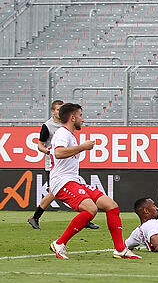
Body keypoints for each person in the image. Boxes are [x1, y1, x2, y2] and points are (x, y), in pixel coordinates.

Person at [48, 103, 140, 260]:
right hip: (62, 182)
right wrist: (83, 147)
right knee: (90, 209)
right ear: (72, 117)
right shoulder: (62, 134)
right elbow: (59, 153)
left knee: (111, 206)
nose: (82, 120)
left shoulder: (69, 135)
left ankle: (120, 249)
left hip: (73, 181)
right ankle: (59, 243)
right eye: (80, 115)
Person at [28, 100, 98, 231]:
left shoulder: (66, 127)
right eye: (58, 109)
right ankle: (36, 217)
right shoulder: (48, 126)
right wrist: (48, 151)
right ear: (53, 111)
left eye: (62, 109)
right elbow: (40, 144)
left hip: (65, 164)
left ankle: (85, 216)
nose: (60, 111)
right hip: (53, 164)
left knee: (54, 192)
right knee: (54, 192)